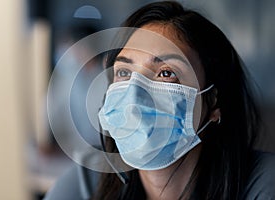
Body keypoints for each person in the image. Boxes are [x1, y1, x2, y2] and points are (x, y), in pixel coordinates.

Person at [44, 1, 275, 200]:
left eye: (166, 73)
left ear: (213, 102)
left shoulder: (263, 185)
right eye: (124, 72)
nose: (134, 94)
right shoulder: (86, 183)